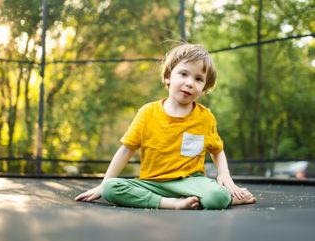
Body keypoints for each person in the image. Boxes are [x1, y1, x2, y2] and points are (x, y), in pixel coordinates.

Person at [75, 43, 256, 210]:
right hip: (152, 183)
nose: (190, 83)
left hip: (190, 181)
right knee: (110, 188)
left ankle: (225, 197)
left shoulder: (205, 117)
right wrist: (103, 185)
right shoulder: (147, 112)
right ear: (168, 76)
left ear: (204, 87)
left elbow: (217, 150)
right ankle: (172, 203)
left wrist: (225, 175)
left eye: (198, 79)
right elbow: (125, 150)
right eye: (183, 74)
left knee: (217, 196)